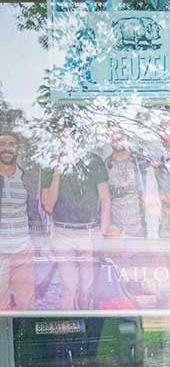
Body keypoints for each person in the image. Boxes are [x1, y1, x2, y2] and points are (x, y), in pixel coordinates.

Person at [41, 131, 112, 311]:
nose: (67, 141)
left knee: (87, 289)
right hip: (62, 233)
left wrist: (102, 232)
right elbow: (48, 205)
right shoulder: (49, 164)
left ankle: (86, 328)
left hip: (89, 232)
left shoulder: (93, 161)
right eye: (62, 137)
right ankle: (70, 329)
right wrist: (57, 174)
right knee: (69, 287)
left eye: (71, 136)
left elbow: (105, 198)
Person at [0, 133, 41, 310]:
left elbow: (34, 212)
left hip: (23, 251)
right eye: (2, 144)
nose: (7, 148)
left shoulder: (27, 178)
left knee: (27, 306)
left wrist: (36, 243)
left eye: (11, 144)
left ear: (18, 150)